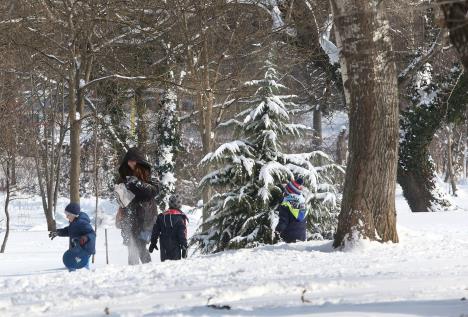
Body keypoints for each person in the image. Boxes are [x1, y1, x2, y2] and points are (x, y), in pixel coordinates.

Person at [117, 147, 159, 265]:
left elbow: (153, 191)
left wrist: (136, 183)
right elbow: (121, 200)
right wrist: (121, 193)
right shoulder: (123, 176)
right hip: (129, 216)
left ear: (139, 161)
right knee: (131, 246)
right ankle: (132, 274)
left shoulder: (147, 174)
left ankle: (149, 270)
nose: (131, 163)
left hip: (146, 216)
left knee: (140, 245)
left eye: (133, 160)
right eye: (129, 160)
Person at [49, 203, 96, 271]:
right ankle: (76, 278)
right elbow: (69, 231)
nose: (66, 217)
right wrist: (58, 232)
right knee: (73, 266)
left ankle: (83, 278)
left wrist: (86, 237)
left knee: (80, 268)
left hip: (85, 250)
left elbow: (92, 233)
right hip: (78, 249)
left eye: (68, 215)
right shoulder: (74, 222)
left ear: (73, 215)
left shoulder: (82, 222)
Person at [149, 194, 188, 262]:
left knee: (165, 266)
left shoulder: (162, 216)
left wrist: (153, 242)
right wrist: (184, 246)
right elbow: (182, 233)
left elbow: (155, 231)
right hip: (175, 245)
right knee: (174, 266)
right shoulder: (180, 217)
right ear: (179, 204)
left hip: (164, 244)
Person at [274, 177, 308, 243]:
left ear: (288, 192)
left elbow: (283, 221)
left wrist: (278, 230)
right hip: (301, 238)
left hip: (288, 237)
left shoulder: (286, 204)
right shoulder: (302, 203)